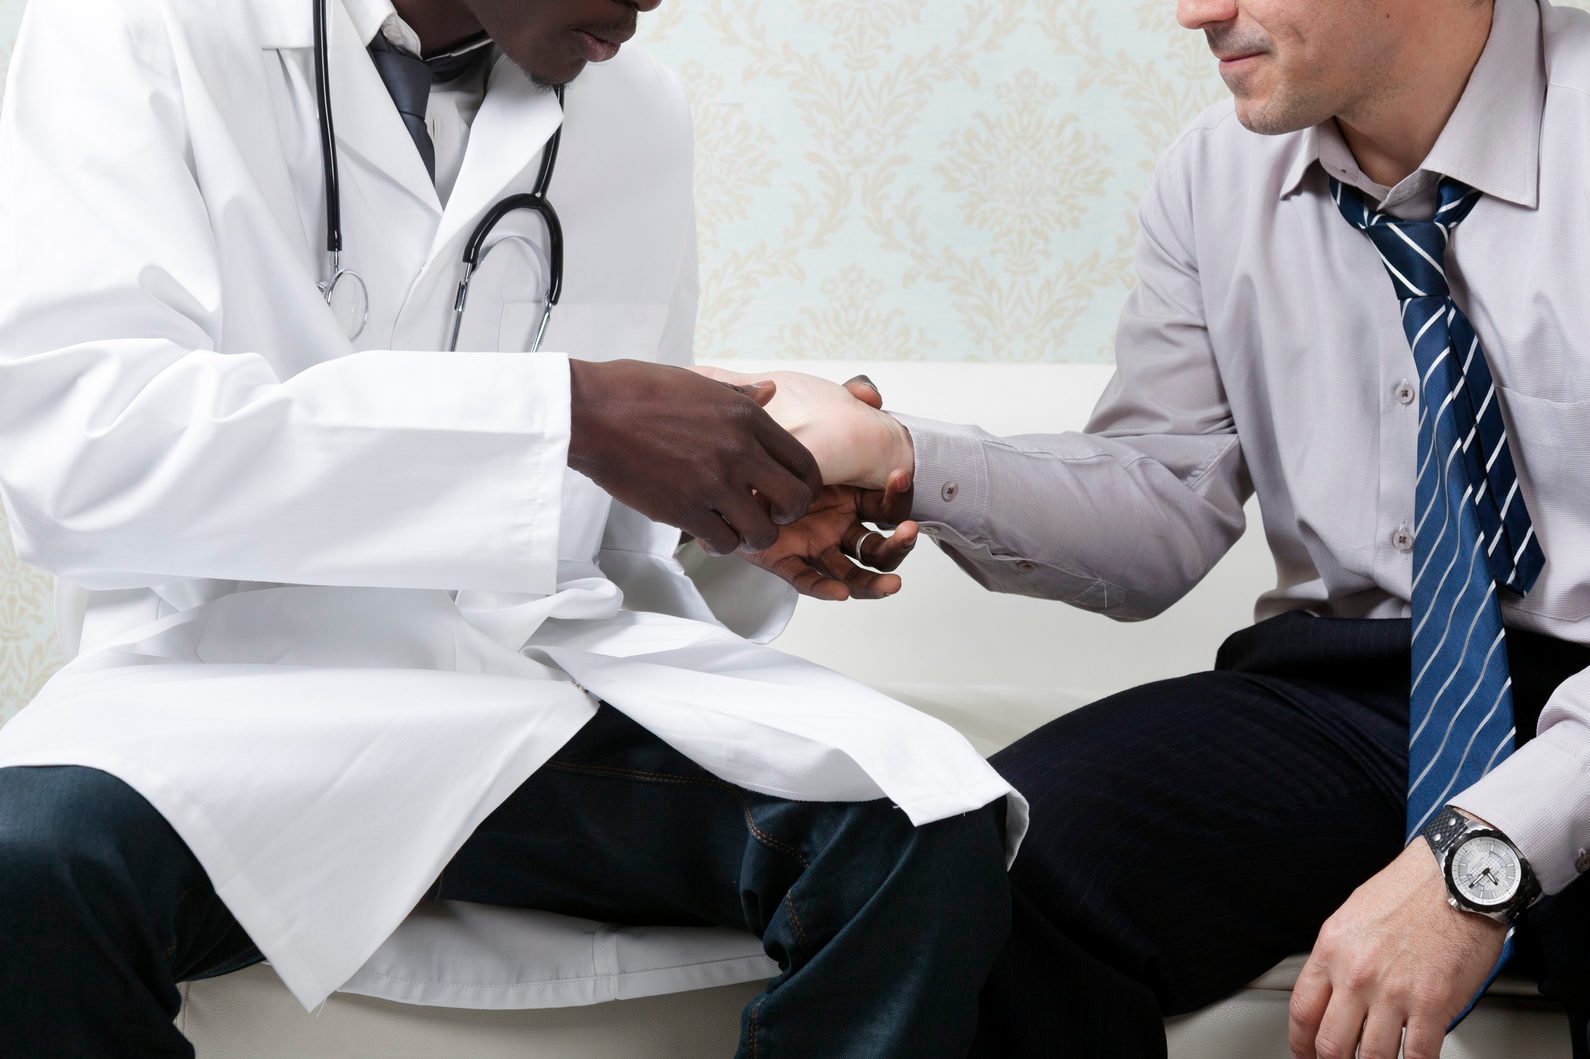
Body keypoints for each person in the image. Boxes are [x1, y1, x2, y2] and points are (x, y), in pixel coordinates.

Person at [0, 1, 1023, 1055]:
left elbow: (586, 517)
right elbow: (85, 451)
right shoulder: (135, 27)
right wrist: (570, 412)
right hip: (220, 692)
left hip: (523, 691)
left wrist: (737, 512)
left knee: (921, 822)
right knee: (23, 862)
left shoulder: (635, 109)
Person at [713, 0, 1590, 1055]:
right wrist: (900, 456)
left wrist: (1479, 856)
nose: (1195, 12)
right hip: (1356, 696)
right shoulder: (1215, 175)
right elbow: (1162, 504)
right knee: (978, 880)